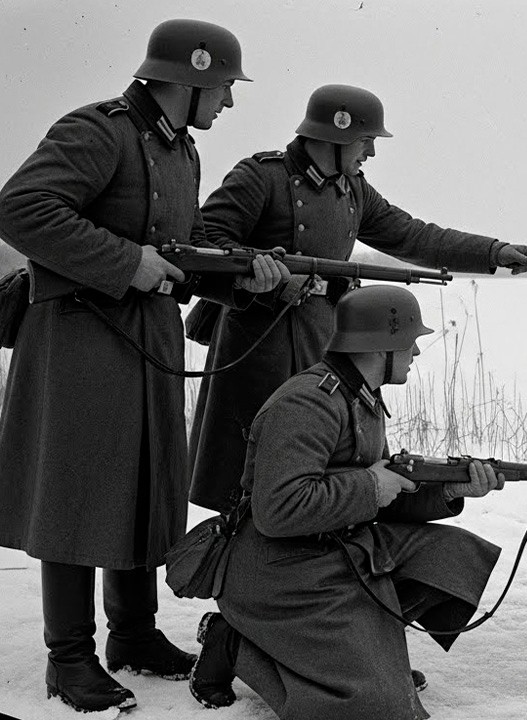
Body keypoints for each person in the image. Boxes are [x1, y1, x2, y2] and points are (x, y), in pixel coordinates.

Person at [0, 19, 284, 713]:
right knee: (76, 494)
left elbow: (177, 255)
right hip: (79, 343)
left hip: (146, 342)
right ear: (188, 79)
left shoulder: (181, 150)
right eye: (224, 87)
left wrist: (244, 276)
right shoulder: (99, 131)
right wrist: (127, 263)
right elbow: (21, 209)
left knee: (142, 485)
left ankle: (133, 635)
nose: (229, 101)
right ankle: (69, 659)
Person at [186, 83, 527, 514]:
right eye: (366, 141)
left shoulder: (353, 191)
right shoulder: (262, 176)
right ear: (336, 133)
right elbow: (205, 242)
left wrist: (491, 252)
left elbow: (412, 236)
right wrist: (260, 273)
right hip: (259, 347)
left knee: (322, 468)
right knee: (248, 476)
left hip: (320, 340)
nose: (371, 153)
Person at [188, 284, 504, 720]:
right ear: (379, 346)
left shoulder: (359, 395)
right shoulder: (308, 402)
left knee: (451, 556)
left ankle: (364, 655)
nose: (415, 351)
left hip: (332, 551)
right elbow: (277, 510)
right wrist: (370, 486)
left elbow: (380, 496)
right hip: (279, 572)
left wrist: (448, 491)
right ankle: (234, 643)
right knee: (376, 709)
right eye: (408, 340)